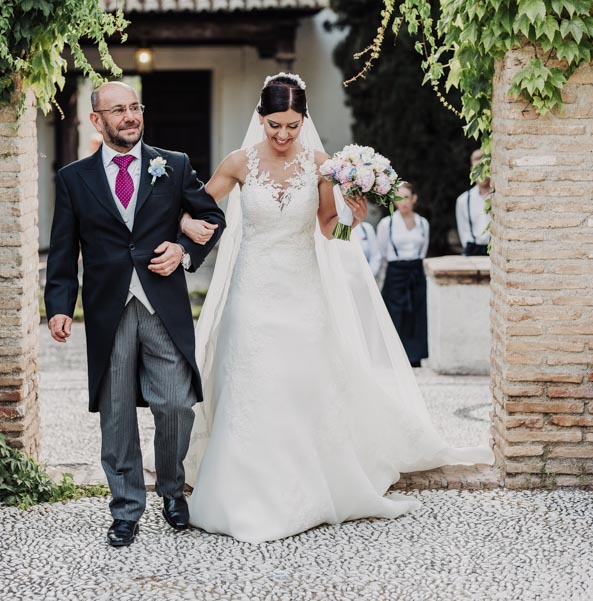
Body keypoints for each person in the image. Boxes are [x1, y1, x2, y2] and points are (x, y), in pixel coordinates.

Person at [178, 73, 493, 543]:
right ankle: (243, 490)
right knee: (251, 378)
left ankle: (304, 486)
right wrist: (186, 220)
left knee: (301, 383)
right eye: (274, 125)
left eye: (292, 125)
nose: (283, 136)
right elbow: (198, 204)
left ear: (304, 120)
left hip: (302, 289)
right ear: (260, 119)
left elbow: (328, 231)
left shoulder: (322, 165)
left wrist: (352, 216)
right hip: (253, 289)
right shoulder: (239, 162)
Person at [43, 82, 226, 548]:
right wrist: (59, 307)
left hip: (162, 304)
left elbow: (213, 218)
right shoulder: (73, 179)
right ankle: (125, 509)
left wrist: (182, 251)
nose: (129, 116)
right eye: (118, 110)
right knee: (117, 413)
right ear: (97, 120)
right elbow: (64, 250)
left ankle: (170, 489)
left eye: (134, 107)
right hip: (108, 311)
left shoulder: (174, 164)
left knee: (176, 404)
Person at [377, 182, 429, 367]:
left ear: (414, 199)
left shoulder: (423, 223)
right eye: (398, 197)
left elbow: (423, 250)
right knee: (395, 313)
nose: (403, 202)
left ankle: (414, 356)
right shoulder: (387, 224)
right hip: (396, 272)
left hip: (415, 271)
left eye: (406, 197)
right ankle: (392, 356)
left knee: (416, 312)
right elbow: (382, 251)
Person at [455, 148, 492, 256]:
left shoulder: (499, 197)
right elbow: (463, 231)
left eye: (484, 169)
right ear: (472, 170)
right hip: (473, 251)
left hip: (496, 250)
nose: (481, 174)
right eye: (477, 169)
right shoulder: (463, 200)